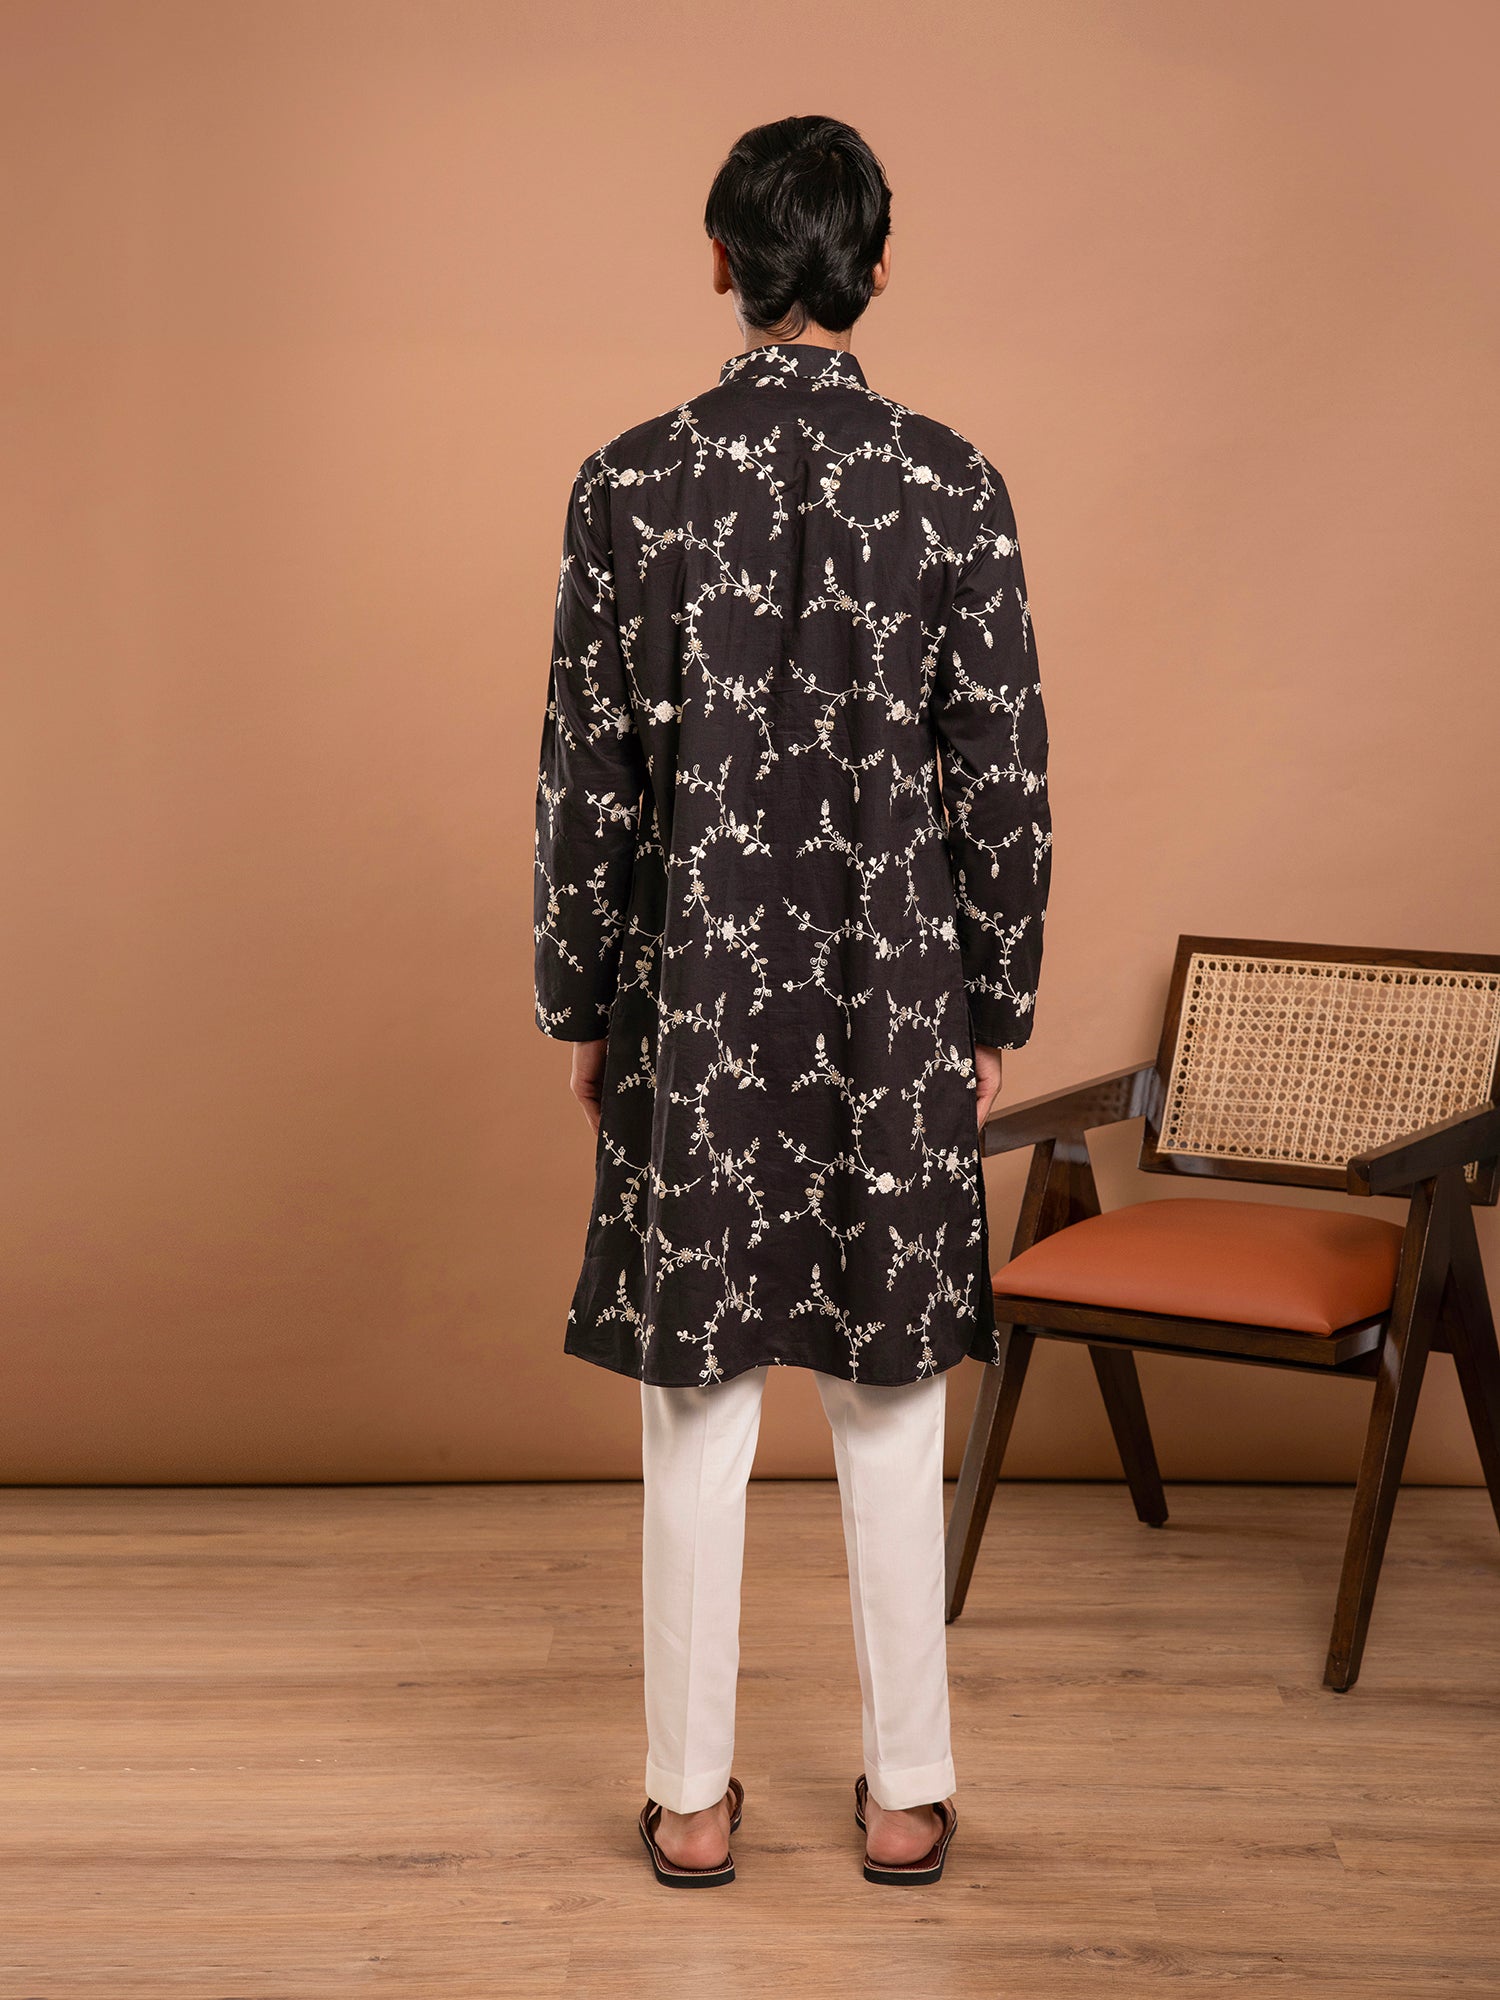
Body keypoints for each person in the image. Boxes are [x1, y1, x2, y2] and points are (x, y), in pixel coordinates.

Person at [533, 114, 1050, 1887]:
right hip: (894, 1001)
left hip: (694, 1003)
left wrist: (584, 1001)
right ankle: (906, 1794)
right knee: (893, 1404)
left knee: (696, 1405)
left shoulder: (626, 484)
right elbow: (1003, 779)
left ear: (721, 262)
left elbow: (588, 780)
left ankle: (689, 1802)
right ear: (877, 267)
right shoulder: (956, 484)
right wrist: (997, 1002)